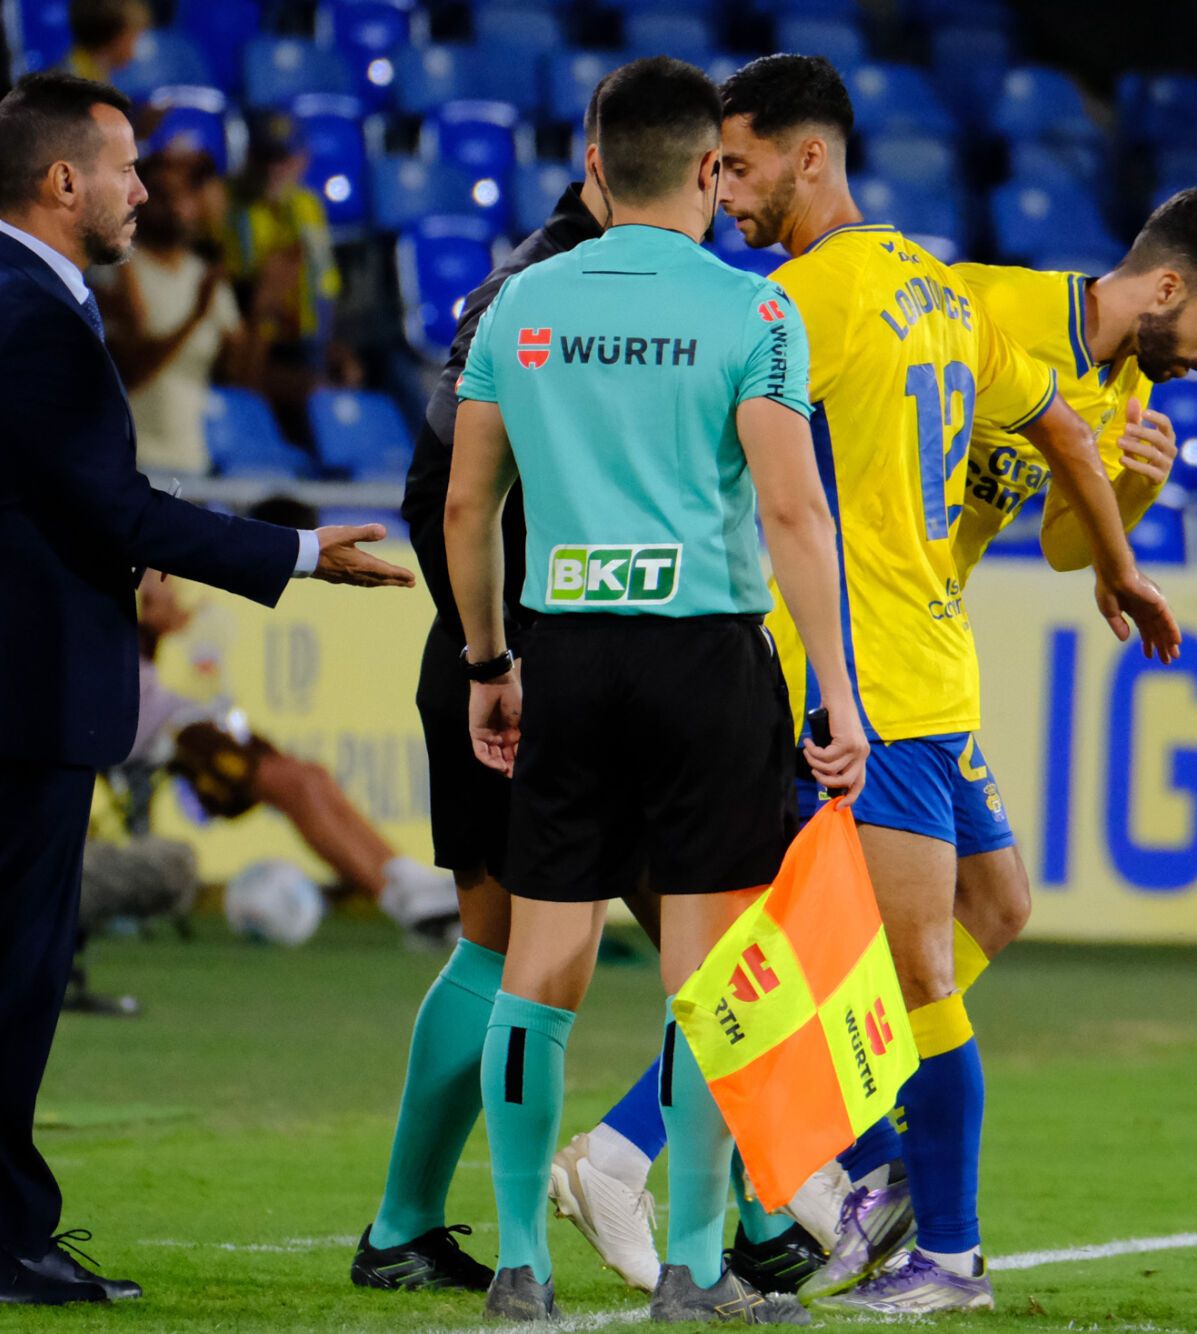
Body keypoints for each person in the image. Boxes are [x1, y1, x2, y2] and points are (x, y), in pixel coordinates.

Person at [0, 71, 412, 1307]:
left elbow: (81, 510)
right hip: (12, 690)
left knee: (15, 962)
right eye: (124, 168)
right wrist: (295, 552)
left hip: (16, 683)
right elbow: (111, 509)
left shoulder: (4, 297)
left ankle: (2, 1222)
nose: (142, 190)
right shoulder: (22, 315)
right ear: (65, 182)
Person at [712, 54, 1180, 1315]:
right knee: (991, 907)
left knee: (905, 968)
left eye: (741, 165)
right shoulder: (933, 279)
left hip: (860, 673)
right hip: (935, 656)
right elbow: (1067, 430)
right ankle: (856, 1186)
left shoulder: (798, 299)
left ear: (809, 156)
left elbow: (716, 449)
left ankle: (931, 1240)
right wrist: (1121, 567)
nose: (723, 191)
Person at [786, 190, 1197, 1286]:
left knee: (994, 904)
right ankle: (846, 1147)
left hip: (926, 643)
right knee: (895, 952)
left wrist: (1132, 492)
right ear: (1164, 286)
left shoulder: (1128, 391)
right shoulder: (986, 305)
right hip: (868, 638)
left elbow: (1059, 538)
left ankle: (844, 1125)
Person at [443, 55, 867, 1323]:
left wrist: (486, 660)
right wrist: (833, 688)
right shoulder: (756, 315)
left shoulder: (519, 306)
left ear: (591, 168)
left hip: (564, 648)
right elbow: (791, 509)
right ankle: (691, 1263)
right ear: (703, 169)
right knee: (710, 968)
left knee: (542, 957)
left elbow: (471, 503)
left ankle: (520, 1260)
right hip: (703, 659)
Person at [348, 80, 621, 1297]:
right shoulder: (537, 289)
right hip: (512, 664)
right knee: (515, 941)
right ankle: (739, 1208)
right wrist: (493, 653)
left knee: (504, 938)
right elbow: (439, 488)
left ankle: (407, 1222)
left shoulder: (586, 280)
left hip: (537, 657)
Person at [126, 499, 459, 939]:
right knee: (296, 785)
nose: (172, 589)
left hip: (183, 725)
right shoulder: (124, 587)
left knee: (310, 776)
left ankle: (406, 880)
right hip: (154, 732)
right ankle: (406, 906)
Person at [96, 148, 270, 476]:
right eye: (161, 195)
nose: (176, 206)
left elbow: (243, 380)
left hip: (192, 462)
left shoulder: (204, 277)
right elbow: (128, 373)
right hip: (132, 461)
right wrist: (195, 316)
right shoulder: (114, 270)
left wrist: (261, 312)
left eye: (184, 194)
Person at [221, 113, 354, 445]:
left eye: (283, 158)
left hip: (309, 346)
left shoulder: (308, 206)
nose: (273, 168)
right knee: (310, 395)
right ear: (250, 157)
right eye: (266, 157)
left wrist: (334, 349)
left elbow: (325, 286)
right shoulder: (232, 207)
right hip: (258, 348)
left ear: (302, 161)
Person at [65, 0, 148, 84]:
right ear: (118, 40)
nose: (135, 53)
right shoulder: (83, 87)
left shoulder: (86, 66)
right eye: (135, 37)